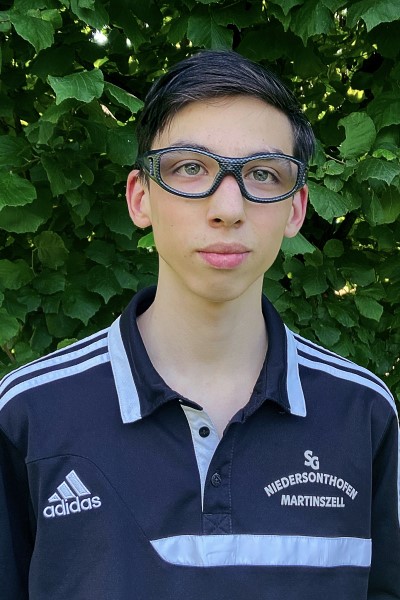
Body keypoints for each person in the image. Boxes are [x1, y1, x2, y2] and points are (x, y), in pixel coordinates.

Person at [0, 50, 399, 600]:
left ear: (296, 209)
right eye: (190, 168)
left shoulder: (363, 412)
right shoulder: (29, 413)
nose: (228, 208)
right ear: (140, 197)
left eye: (263, 174)